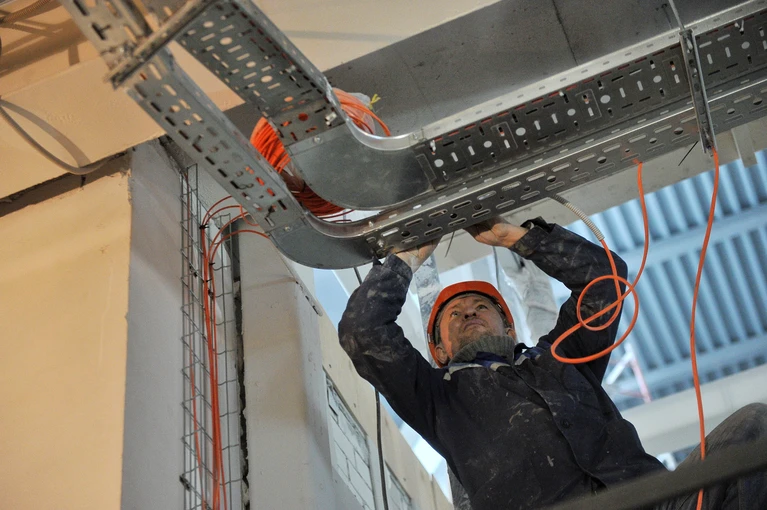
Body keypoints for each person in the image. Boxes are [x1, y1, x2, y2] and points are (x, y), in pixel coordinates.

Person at [339, 215, 767, 509]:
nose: (469, 312)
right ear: (438, 352)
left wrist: (519, 238)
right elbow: (363, 330)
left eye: (482, 306)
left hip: (655, 500)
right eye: (454, 314)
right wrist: (406, 260)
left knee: (751, 426)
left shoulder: (562, 357)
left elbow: (604, 283)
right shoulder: (436, 400)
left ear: (510, 328)